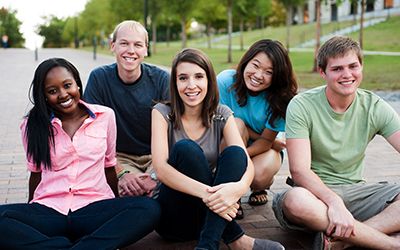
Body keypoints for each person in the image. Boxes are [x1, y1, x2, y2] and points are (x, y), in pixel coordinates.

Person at [0, 58, 161, 249]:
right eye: (52, 91)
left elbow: (109, 165)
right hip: (50, 211)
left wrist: (117, 211)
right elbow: (36, 174)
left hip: (94, 209)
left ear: (77, 83)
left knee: (148, 209)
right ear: (44, 95)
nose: (63, 94)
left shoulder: (105, 116)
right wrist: (30, 216)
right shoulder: (32, 126)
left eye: (67, 85)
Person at [272, 35, 400, 250]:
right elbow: (299, 171)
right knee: (295, 201)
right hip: (312, 196)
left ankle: (341, 242)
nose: (347, 74)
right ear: (322, 72)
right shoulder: (302, 105)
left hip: (358, 193)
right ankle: (389, 244)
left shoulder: (375, 107)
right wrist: (334, 202)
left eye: (353, 66)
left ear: (361, 67)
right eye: (337, 69)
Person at [151, 48, 285, 250]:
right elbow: (160, 169)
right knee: (186, 149)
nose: (191, 85)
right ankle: (237, 240)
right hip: (174, 218)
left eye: (199, 76)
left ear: (209, 81)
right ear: (175, 82)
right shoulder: (163, 113)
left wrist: (238, 190)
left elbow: (245, 163)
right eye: (183, 78)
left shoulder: (221, 115)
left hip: (210, 219)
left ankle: (207, 245)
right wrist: (211, 195)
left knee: (235, 152)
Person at [84, 20, 170, 197]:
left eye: (138, 45)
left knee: (165, 191)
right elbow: (91, 136)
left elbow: (176, 130)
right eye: (124, 43)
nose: (131, 50)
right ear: (113, 46)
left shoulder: (161, 79)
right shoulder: (99, 79)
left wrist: (155, 176)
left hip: (158, 155)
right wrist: (121, 173)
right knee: (129, 192)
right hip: (119, 157)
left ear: (146, 50)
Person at [217, 39, 298, 218]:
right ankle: (230, 192)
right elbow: (220, 123)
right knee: (235, 124)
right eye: (256, 65)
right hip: (229, 140)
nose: (259, 75)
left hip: (262, 148)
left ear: (277, 76)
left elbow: (265, 141)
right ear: (246, 61)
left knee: (259, 176)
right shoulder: (225, 81)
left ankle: (260, 187)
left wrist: (239, 156)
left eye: (269, 72)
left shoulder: (280, 98)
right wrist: (270, 142)